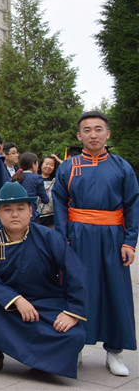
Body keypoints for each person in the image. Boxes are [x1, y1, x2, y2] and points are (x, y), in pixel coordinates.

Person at [0, 182, 88, 378]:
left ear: (31, 211)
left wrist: (73, 313)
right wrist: (17, 300)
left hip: (45, 305)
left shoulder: (49, 237)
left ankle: (43, 360)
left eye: (21, 208)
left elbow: (76, 272)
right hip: (6, 307)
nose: (14, 214)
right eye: (8, 209)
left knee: (76, 335)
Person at [53, 111, 138, 376]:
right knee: (78, 289)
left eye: (98, 129)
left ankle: (114, 351)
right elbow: (59, 204)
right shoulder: (68, 167)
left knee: (116, 292)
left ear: (107, 134)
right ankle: (75, 345)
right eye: (87, 130)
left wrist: (130, 242)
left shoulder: (122, 167)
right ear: (79, 136)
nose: (93, 134)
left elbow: (132, 205)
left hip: (113, 236)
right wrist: (63, 239)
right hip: (78, 236)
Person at [11, 152, 49, 219]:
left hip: (16, 214)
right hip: (31, 215)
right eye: (37, 163)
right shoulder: (37, 178)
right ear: (33, 164)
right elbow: (45, 199)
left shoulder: (15, 177)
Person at [36, 155, 59, 227]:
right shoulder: (34, 179)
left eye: (51, 165)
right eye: (46, 164)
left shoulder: (56, 181)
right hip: (36, 216)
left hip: (52, 217)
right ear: (41, 164)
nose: (48, 167)